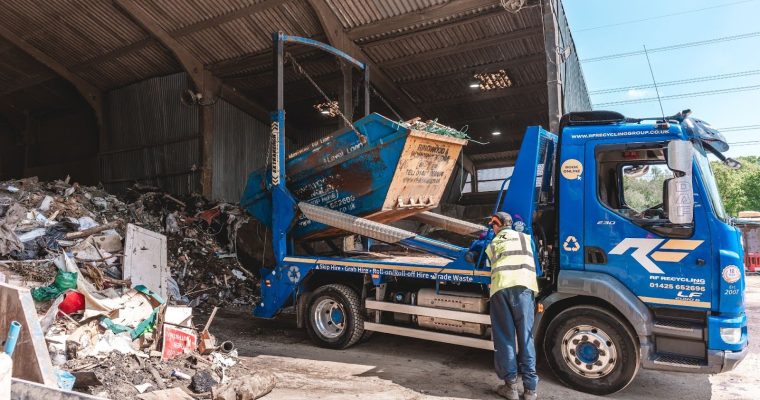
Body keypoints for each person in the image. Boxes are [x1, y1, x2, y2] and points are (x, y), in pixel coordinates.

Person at [486, 212, 539, 400]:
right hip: (524, 289)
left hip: (501, 289)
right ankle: (531, 390)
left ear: (496, 225)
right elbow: (536, 265)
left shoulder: (493, 243)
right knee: (526, 338)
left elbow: (486, 262)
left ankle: (511, 388)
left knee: (505, 338)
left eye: (492, 225)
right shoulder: (526, 239)